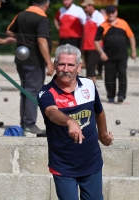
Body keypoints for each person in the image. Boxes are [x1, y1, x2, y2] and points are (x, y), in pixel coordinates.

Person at [37, 44, 114, 199]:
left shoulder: (89, 85)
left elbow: (98, 111)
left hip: (91, 162)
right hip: (64, 166)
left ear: (79, 67)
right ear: (55, 65)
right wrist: (70, 122)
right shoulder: (46, 93)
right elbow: (52, 113)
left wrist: (103, 134)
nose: (66, 69)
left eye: (71, 65)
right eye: (62, 64)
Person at [6, 0, 54, 135]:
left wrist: (22, 39)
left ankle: (25, 123)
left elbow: (9, 31)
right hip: (35, 60)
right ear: (46, 4)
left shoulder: (21, 15)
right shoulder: (42, 18)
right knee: (32, 91)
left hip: (21, 59)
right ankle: (29, 125)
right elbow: (41, 40)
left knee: (25, 91)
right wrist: (49, 62)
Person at [95, 5, 136, 103]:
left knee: (122, 75)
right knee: (109, 76)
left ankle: (121, 95)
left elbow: (131, 36)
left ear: (116, 12)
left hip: (122, 55)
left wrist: (133, 51)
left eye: (112, 12)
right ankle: (111, 96)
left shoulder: (123, 23)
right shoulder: (103, 25)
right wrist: (101, 53)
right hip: (108, 56)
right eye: (109, 12)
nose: (111, 14)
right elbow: (96, 41)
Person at [81, 0, 105, 83]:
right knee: (89, 69)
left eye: (86, 7)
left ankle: (92, 89)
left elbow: (102, 32)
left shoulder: (98, 16)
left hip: (94, 47)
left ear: (91, 6)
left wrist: (100, 48)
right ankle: (89, 89)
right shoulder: (88, 17)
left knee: (91, 70)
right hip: (87, 47)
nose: (84, 9)